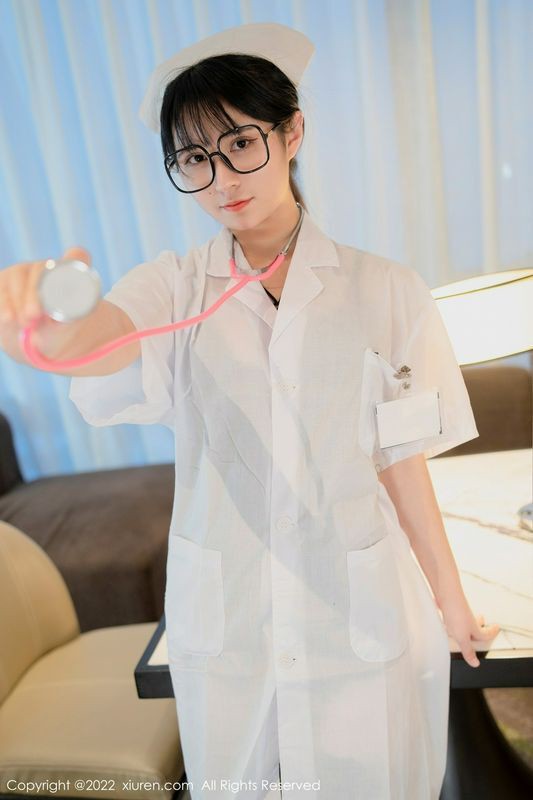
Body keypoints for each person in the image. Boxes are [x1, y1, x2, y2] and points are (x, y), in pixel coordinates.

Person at [0, 21, 499, 800]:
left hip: (355, 605)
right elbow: (106, 338)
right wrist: (52, 331)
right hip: (230, 613)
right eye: (193, 159)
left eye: (239, 143)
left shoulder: (385, 289)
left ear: (291, 132)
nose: (220, 178)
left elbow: (399, 460)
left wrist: (450, 598)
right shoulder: (173, 285)